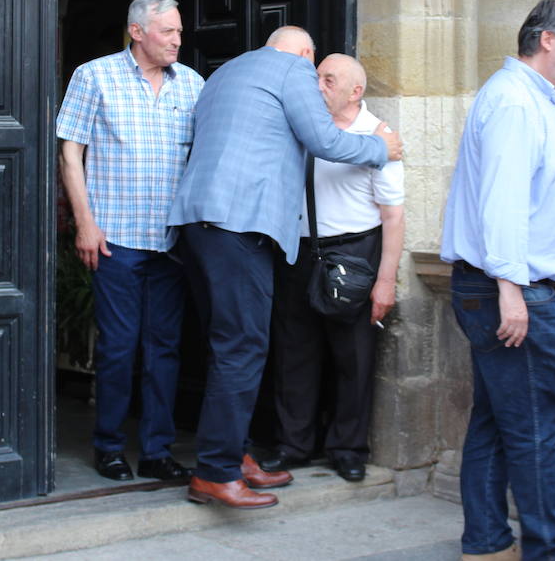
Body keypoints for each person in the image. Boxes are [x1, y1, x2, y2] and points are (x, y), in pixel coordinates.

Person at [166, 26, 402, 510]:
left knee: (226, 345)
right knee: (243, 347)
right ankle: (214, 472)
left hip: (198, 221)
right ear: (306, 54)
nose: (315, 81)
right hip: (239, 223)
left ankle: (231, 455)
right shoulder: (292, 68)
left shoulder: (227, 71)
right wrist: (383, 149)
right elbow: (325, 140)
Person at [440, 0, 555, 561]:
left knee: (499, 422)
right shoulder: (516, 102)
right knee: (538, 427)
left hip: (509, 283)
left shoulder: (538, 98)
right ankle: (549, 549)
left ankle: (488, 544)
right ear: (547, 39)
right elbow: (504, 204)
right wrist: (511, 291)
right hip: (509, 288)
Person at [55, 0, 204, 483]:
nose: (178, 40)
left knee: (165, 350)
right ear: (138, 32)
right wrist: (85, 222)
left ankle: (158, 451)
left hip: (171, 243)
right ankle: (109, 446)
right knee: (119, 347)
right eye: (168, 32)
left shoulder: (195, 85)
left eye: (179, 32)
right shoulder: (94, 76)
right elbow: (70, 152)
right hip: (113, 237)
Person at [267, 53, 404, 483]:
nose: (318, 86)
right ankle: (294, 443)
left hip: (355, 252)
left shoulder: (379, 136)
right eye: (317, 78)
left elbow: (393, 217)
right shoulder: (304, 127)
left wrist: (385, 282)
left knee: (354, 356)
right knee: (295, 351)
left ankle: (348, 449)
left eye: (328, 80)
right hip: (301, 251)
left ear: (354, 91)